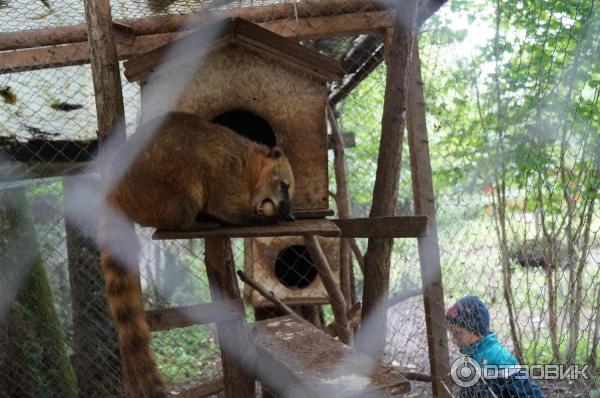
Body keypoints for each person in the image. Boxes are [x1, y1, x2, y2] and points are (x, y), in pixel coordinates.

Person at [446, 296, 545, 397]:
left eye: (457, 333)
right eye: (452, 334)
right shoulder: (473, 355)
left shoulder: (498, 357)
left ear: (474, 331)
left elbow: (529, 392)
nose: (453, 340)